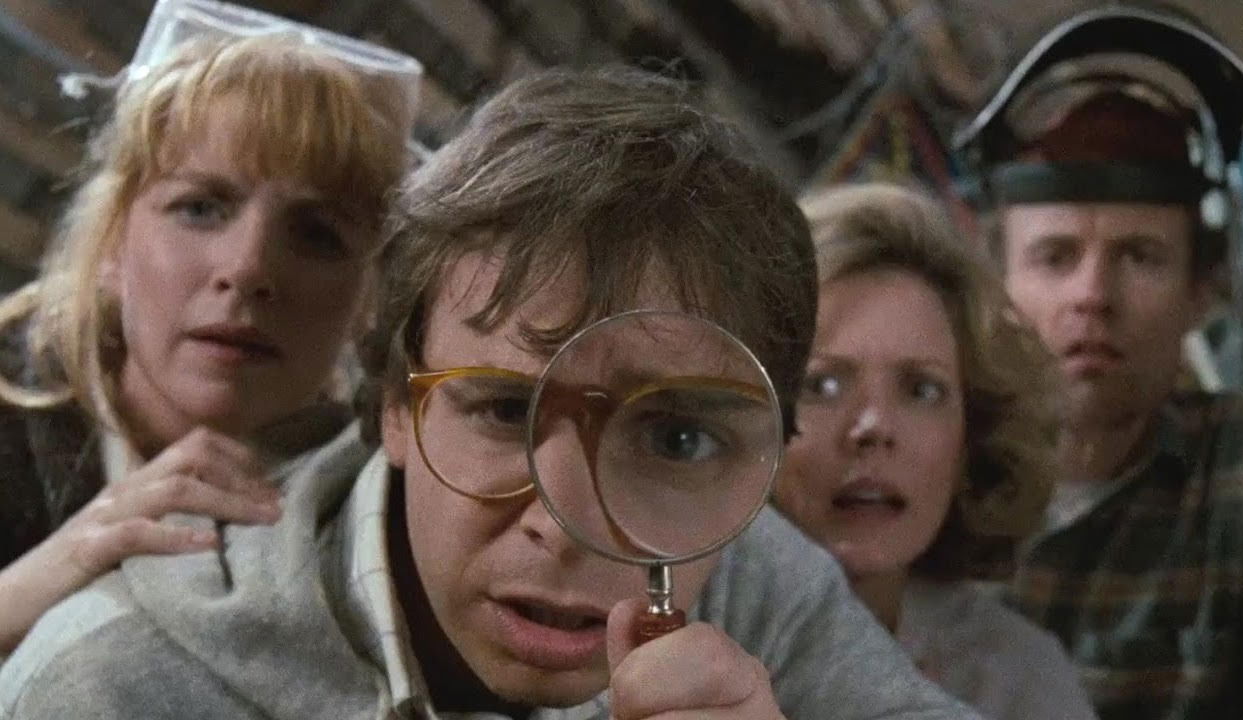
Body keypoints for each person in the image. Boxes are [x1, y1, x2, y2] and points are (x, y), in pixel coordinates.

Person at [0, 66, 982, 720]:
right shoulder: (121, 686)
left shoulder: (750, 576)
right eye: (506, 410)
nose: (568, 526)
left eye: (674, 438)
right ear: (394, 404)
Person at [0, 0, 421, 655]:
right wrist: (45, 575)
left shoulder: (378, 511)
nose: (249, 268)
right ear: (112, 243)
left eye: (318, 234)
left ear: (366, 298)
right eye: (200, 208)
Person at [953, 5, 1243, 719]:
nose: (1093, 296)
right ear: (997, 285)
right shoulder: (925, 472)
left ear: (1201, 292)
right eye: (1055, 256)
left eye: (1140, 256)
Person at [774, 182, 1096, 720]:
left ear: (971, 439)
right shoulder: (661, 638)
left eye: (922, 390)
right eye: (823, 386)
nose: (874, 427)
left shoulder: (1018, 682)